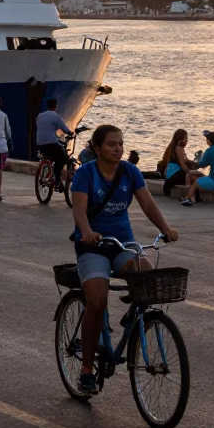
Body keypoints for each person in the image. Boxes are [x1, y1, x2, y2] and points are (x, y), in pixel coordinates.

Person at [70, 124, 178, 395]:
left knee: (146, 274)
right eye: (111, 144)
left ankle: (133, 313)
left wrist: (165, 228)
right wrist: (86, 231)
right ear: (97, 147)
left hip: (122, 244)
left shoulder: (130, 171)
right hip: (93, 246)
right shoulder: (85, 174)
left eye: (120, 144)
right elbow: (79, 210)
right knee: (97, 299)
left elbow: (148, 203)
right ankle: (85, 371)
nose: (118, 149)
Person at [183, 131, 214, 207]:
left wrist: (188, 161)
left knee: (196, 182)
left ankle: (188, 198)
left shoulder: (210, 151)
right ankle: (193, 197)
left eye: (207, 139)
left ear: (209, 141)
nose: (206, 141)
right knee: (192, 175)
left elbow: (202, 165)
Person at [35, 98, 73, 192]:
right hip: (51, 143)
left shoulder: (40, 116)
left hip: (40, 143)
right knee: (63, 158)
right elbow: (65, 129)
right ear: (56, 106)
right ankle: (57, 181)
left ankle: (51, 174)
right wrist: (72, 133)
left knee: (54, 155)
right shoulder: (56, 116)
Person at [159, 129, 194, 198]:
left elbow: (186, 160)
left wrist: (196, 164)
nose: (187, 140)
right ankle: (190, 197)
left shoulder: (173, 146)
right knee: (193, 177)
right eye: (185, 138)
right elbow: (183, 166)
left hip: (169, 177)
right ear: (180, 139)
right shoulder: (179, 149)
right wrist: (193, 172)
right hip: (174, 177)